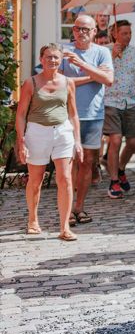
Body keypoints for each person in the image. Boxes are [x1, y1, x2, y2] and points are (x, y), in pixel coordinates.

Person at [16, 44, 83, 241]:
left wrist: (77, 141)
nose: (52, 60)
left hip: (62, 132)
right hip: (37, 132)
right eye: (48, 57)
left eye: (56, 57)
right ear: (41, 59)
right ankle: (33, 220)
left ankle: (64, 227)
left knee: (65, 179)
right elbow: (20, 115)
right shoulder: (31, 83)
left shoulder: (68, 82)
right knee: (36, 180)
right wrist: (22, 141)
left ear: (60, 60)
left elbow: (73, 113)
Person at [60, 14, 114, 227]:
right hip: (66, 115)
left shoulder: (102, 52)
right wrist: (93, 76)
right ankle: (67, 208)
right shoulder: (64, 53)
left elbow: (108, 80)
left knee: (87, 163)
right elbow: (61, 82)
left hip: (93, 115)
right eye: (77, 28)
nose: (81, 32)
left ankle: (78, 207)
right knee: (68, 162)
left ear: (94, 32)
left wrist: (82, 64)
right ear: (72, 30)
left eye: (86, 29)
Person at [102, 19, 135, 199]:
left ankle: (120, 168)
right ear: (115, 33)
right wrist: (112, 55)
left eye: (129, 33)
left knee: (134, 143)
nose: (127, 36)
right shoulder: (104, 51)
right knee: (115, 139)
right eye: (124, 33)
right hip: (110, 101)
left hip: (131, 103)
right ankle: (113, 181)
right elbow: (99, 73)